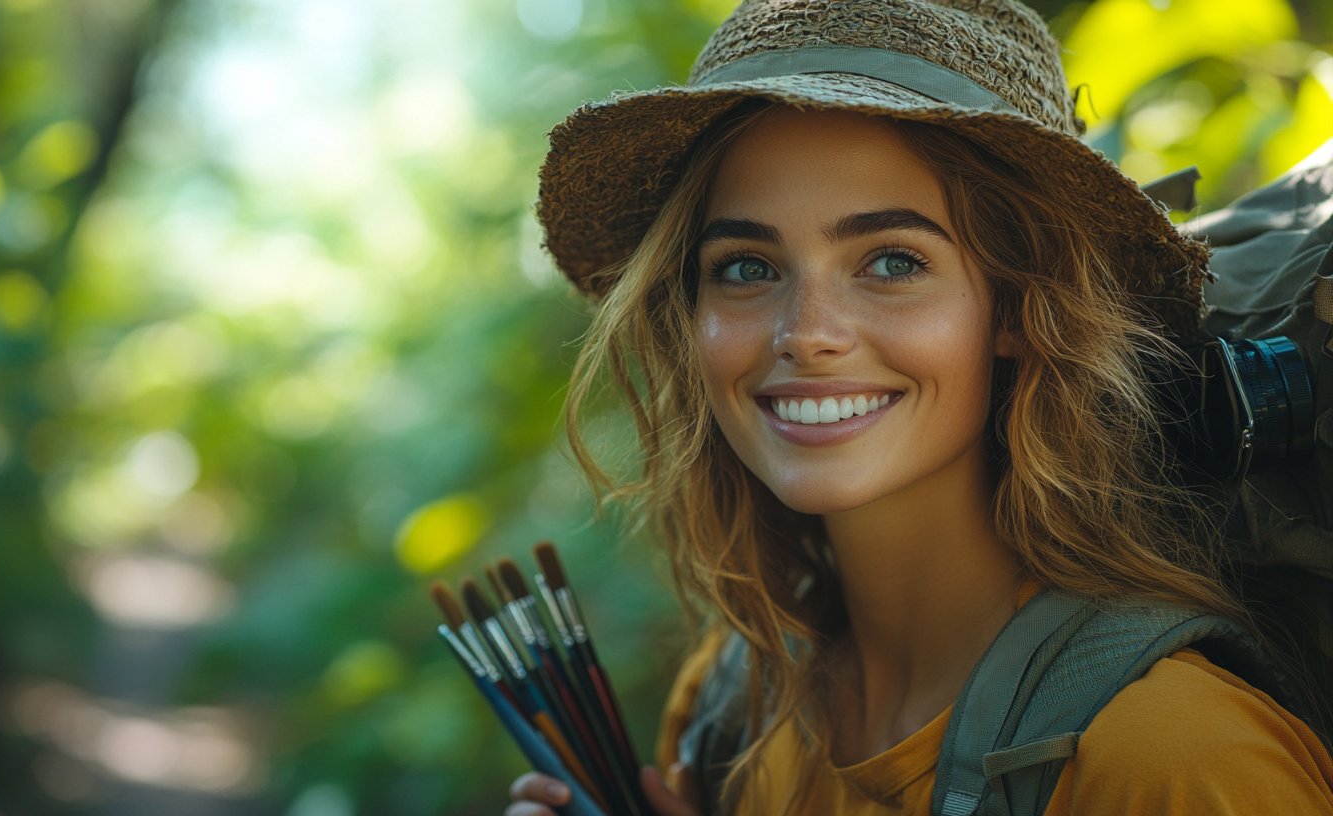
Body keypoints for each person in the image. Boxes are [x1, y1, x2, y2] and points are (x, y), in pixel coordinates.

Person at [508, 0, 1333, 813]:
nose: (806, 334)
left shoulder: (1172, 759)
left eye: (893, 262)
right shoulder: (735, 705)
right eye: (747, 267)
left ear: (1018, 308)